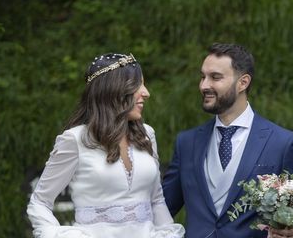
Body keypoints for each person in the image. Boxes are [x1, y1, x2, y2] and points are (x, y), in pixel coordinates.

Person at [162, 43, 293, 238]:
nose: (204, 85)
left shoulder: (282, 143)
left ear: (243, 83)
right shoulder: (186, 142)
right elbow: (163, 208)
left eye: (215, 77)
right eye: (203, 77)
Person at [27, 53, 185, 238]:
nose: (146, 92)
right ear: (113, 89)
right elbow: (39, 202)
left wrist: (168, 232)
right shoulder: (75, 140)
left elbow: (156, 199)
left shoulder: (147, 135)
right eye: (137, 85)